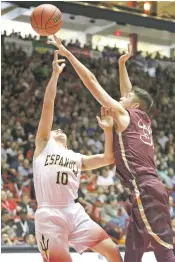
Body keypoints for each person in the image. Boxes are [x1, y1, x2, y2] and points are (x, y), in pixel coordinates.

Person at [49, 37, 175, 262]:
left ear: (133, 106)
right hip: (143, 188)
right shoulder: (142, 118)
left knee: (163, 248)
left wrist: (69, 55)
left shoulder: (125, 115)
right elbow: (130, 93)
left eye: (124, 98)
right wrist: (121, 65)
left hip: (146, 188)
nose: (120, 97)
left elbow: (93, 81)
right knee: (133, 251)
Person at [33, 51, 122, 262]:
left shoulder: (75, 157)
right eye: (55, 130)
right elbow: (48, 105)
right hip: (49, 214)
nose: (58, 130)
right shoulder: (43, 145)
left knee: (112, 251)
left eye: (60, 130)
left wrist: (108, 131)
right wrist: (55, 75)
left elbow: (109, 158)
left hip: (74, 211)